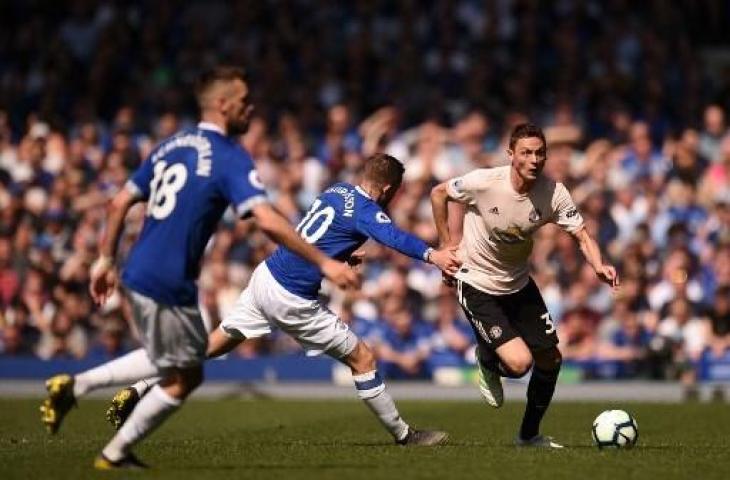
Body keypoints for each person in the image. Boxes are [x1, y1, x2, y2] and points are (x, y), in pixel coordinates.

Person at [39, 66, 360, 470]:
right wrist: (325, 262)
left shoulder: (170, 146)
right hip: (168, 277)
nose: (251, 107)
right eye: (244, 101)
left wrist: (105, 258)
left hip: (139, 268)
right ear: (223, 105)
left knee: (178, 361)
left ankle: (80, 392)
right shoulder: (228, 156)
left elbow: (120, 202)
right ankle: (110, 448)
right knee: (185, 375)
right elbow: (265, 218)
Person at [107, 152, 459, 447]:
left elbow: (317, 232)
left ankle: (140, 388)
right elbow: (393, 236)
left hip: (266, 276)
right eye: (394, 193)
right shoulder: (367, 210)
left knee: (212, 345)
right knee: (363, 358)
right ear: (387, 189)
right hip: (291, 295)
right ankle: (403, 434)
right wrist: (433, 256)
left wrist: (338, 257)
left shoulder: (337, 190)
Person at [430, 123, 619, 448]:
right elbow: (439, 193)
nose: (534, 160)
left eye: (540, 153)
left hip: (518, 284)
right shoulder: (484, 181)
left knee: (551, 360)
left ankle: (529, 436)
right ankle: (487, 360)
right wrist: (447, 245)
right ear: (511, 155)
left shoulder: (553, 192)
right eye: (526, 153)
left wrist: (598, 264)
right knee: (519, 365)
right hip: (475, 281)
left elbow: (582, 234)